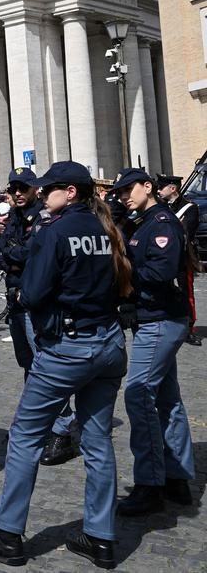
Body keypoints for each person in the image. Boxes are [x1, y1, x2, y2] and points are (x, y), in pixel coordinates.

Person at [0, 161, 131, 569]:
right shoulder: (108, 229)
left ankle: (7, 533)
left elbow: (35, 292)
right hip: (108, 340)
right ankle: (100, 535)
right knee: (96, 440)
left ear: (69, 192)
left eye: (49, 188)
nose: (43, 194)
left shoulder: (55, 232)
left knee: (24, 437)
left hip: (68, 346)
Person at [110, 168, 196, 516]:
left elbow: (159, 274)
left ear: (149, 187)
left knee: (139, 393)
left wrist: (121, 277)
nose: (123, 196)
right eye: (118, 192)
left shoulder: (160, 223)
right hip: (156, 317)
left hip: (160, 318)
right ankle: (177, 476)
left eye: (128, 189)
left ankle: (149, 483)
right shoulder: (142, 221)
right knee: (166, 397)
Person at [0, 167, 76, 466]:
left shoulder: (45, 218)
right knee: (29, 366)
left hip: (36, 304)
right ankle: (36, 424)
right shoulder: (13, 218)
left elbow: (32, 256)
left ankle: (61, 430)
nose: (16, 193)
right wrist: (17, 256)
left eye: (22, 188)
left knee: (47, 367)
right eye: (13, 188)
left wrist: (16, 256)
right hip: (15, 302)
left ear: (34, 190)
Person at [156, 174, 201, 346]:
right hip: (164, 256)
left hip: (183, 257)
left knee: (186, 292)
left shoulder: (190, 208)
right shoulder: (161, 207)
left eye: (162, 187)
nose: (159, 191)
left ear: (173, 189)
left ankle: (189, 328)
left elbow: (185, 232)